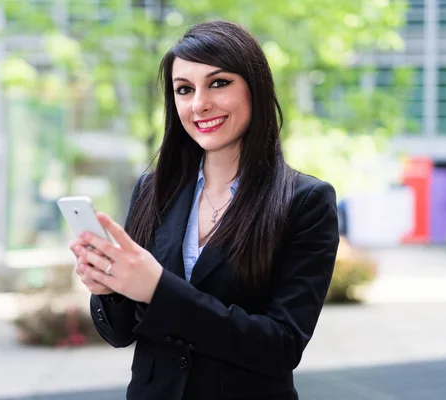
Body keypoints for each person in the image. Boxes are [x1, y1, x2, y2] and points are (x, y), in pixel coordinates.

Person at [70, 20, 340, 400]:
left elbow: (281, 346)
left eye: (218, 83)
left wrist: (159, 290)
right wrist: (109, 290)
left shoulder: (305, 201)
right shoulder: (153, 190)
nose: (199, 104)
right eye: (184, 89)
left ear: (255, 88)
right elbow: (120, 333)